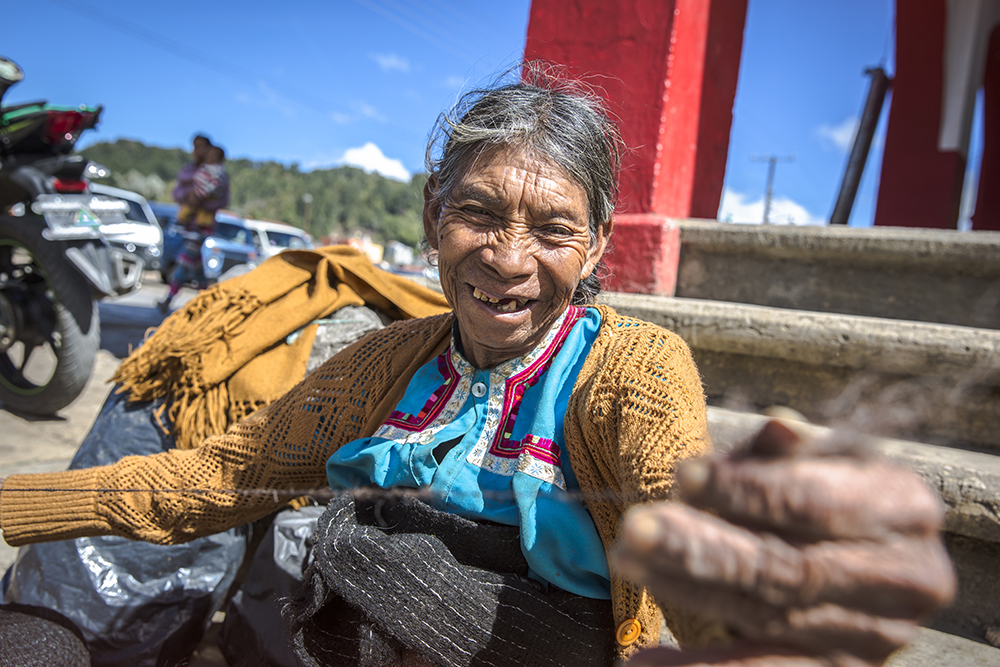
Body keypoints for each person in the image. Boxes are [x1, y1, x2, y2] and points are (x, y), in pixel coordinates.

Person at [0, 67, 954, 667]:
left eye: (551, 229)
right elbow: (210, 478)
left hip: (541, 642)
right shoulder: (387, 363)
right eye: (479, 214)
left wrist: (749, 615)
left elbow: (675, 514)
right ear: (431, 217)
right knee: (354, 545)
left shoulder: (632, 369)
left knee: (372, 544)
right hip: (368, 631)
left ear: (595, 246)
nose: (507, 256)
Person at [158, 137, 231, 313]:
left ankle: (169, 298)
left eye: (200, 148)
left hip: (202, 226)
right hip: (187, 224)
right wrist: (189, 196)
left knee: (185, 260)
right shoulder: (191, 170)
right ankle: (209, 303)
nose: (196, 151)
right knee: (196, 267)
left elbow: (222, 199)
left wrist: (201, 200)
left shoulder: (217, 173)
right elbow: (177, 192)